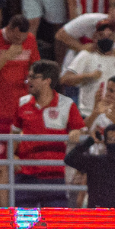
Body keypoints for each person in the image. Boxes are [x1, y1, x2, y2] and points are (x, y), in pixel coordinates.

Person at [0, 14, 39, 207]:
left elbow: (36, 69)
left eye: (23, 38)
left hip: (22, 114)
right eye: (16, 38)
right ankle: (2, 211)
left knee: (24, 163)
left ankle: (23, 208)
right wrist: (6, 57)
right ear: (10, 29)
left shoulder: (30, 39)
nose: (20, 42)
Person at [12, 60, 85, 208]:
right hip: (26, 175)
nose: (29, 81)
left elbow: (81, 131)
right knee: (24, 226)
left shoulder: (67, 104)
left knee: (55, 225)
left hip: (55, 176)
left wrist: (77, 132)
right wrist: (13, 156)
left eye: (33, 77)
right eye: (29, 77)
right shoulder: (22, 103)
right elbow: (13, 134)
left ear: (47, 81)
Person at [60, 20, 115, 117]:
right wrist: (88, 76)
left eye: (110, 36)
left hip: (113, 115)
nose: (106, 38)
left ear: (114, 38)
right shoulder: (86, 55)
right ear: (95, 37)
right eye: (102, 35)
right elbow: (65, 79)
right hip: (88, 113)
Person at [64, 124, 115, 208]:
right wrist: (89, 141)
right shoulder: (94, 163)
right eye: (111, 139)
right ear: (105, 142)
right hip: (99, 216)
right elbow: (70, 159)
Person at [55, 0, 115, 71]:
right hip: (76, 71)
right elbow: (61, 35)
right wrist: (81, 47)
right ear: (111, 10)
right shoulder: (89, 20)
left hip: (104, 77)